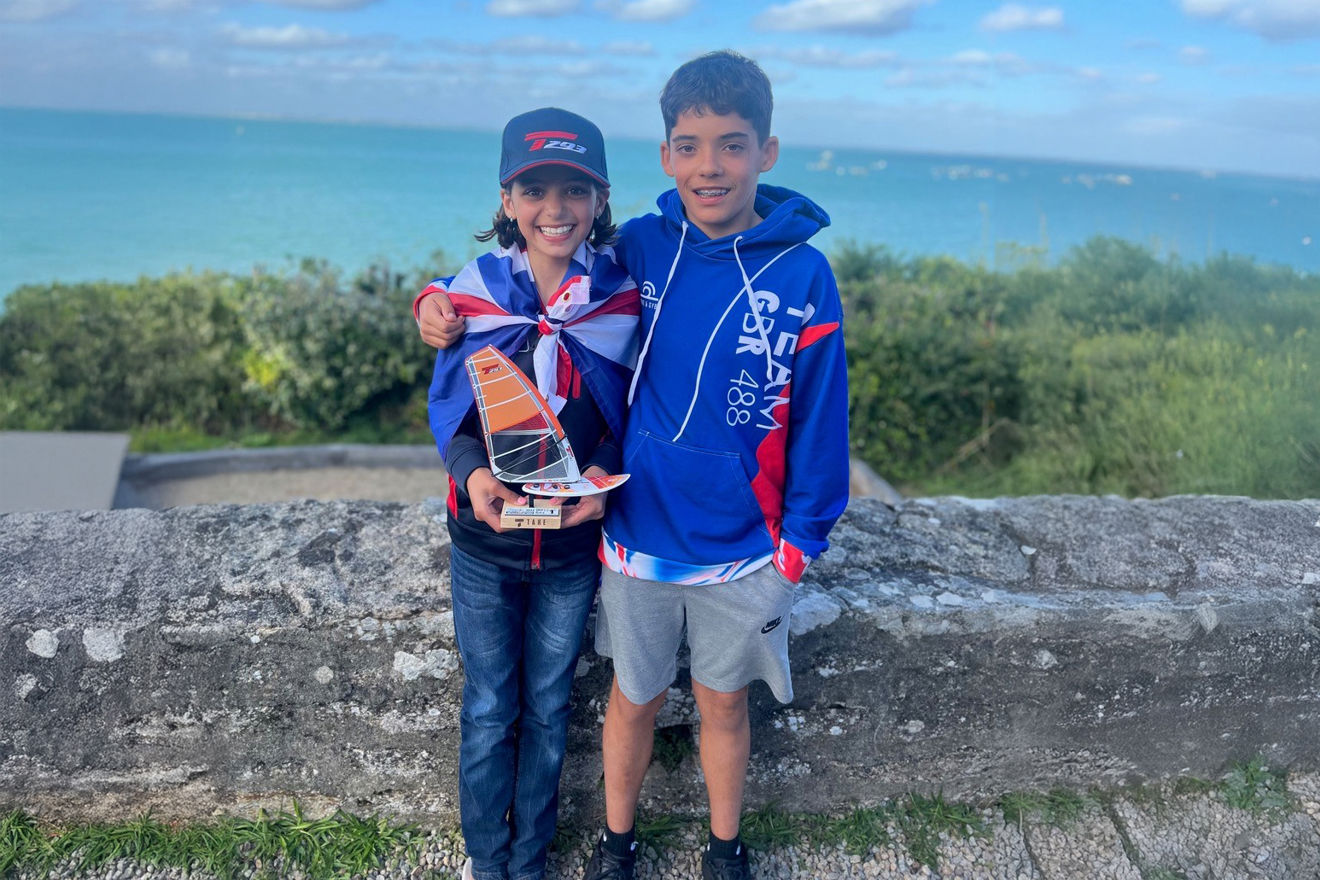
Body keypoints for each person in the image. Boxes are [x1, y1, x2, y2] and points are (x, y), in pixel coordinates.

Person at [417, 52, 849, 880]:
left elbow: (819, 421)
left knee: (673, 707)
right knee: (559, 706)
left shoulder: (761, 275)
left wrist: (796, 552)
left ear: (767, 151)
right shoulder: (610, 258)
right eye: (689, 146)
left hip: (701, 549)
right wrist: (430, 302)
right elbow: (489, 316)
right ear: (664, 159)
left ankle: (702, 851)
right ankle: (554, 854)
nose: (709, 165)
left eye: (731, 145)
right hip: (579, 542)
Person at [422, 107, 638, 880]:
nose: (557, 208)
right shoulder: (473, 296)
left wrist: (605, 484)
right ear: (508, 200)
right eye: (536, 188)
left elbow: (629, 411)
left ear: (601, 199)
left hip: (574, 549)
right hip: (484, 546)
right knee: (489, 709)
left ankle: (531, 857)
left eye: (575, 190)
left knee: (550, 710)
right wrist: (474, 478)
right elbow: (451, 412)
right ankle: (488, 861)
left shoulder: (621, 300)